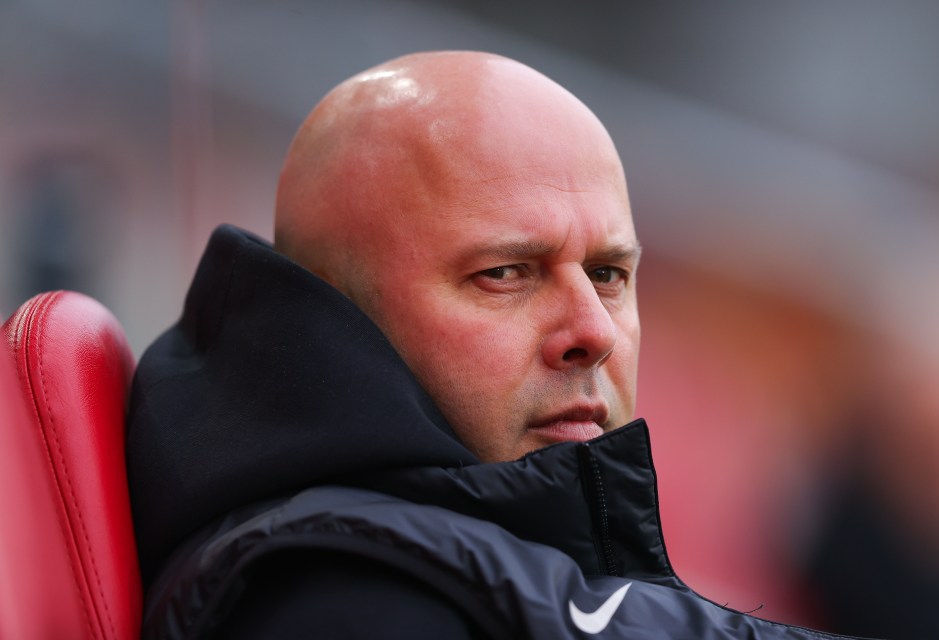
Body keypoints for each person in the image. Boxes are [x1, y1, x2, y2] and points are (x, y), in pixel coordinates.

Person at [127, 51, 871, 638]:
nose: (595, 332)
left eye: (609, 274)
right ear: (335, 310)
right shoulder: (342, 596)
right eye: (506, 274)